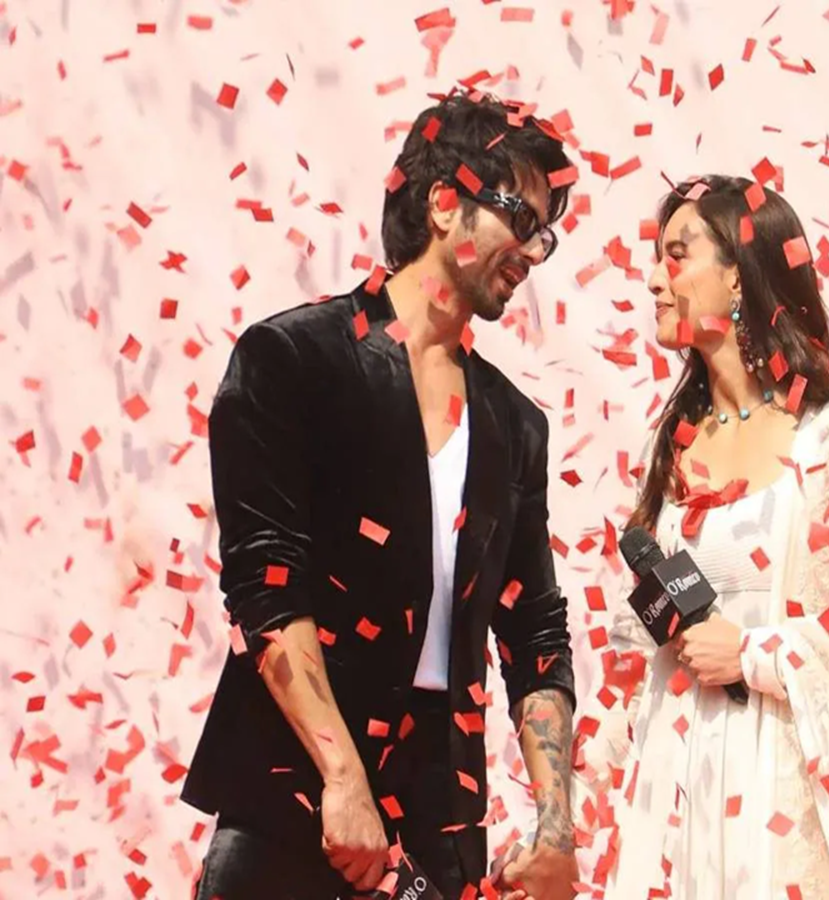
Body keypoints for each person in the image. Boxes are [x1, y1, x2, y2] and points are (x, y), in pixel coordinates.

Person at [183, 90, 580, 900]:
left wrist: (554, 826)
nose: (532, 253)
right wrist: (342, 776)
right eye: (519, 217)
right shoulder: (294, 359)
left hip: (440, 817)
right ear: (443, 203)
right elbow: (266, 582)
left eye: (545, 234)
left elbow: (534, 629)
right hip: (293, 797)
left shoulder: (514, 424)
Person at [571, 175, 829, 898]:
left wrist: (758, 653)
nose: (655, 280)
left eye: (677, 256)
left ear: (737, 274)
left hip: (786, 798)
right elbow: (636, 656)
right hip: (681, 799)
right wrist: (571, 813)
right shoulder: (669, 448)